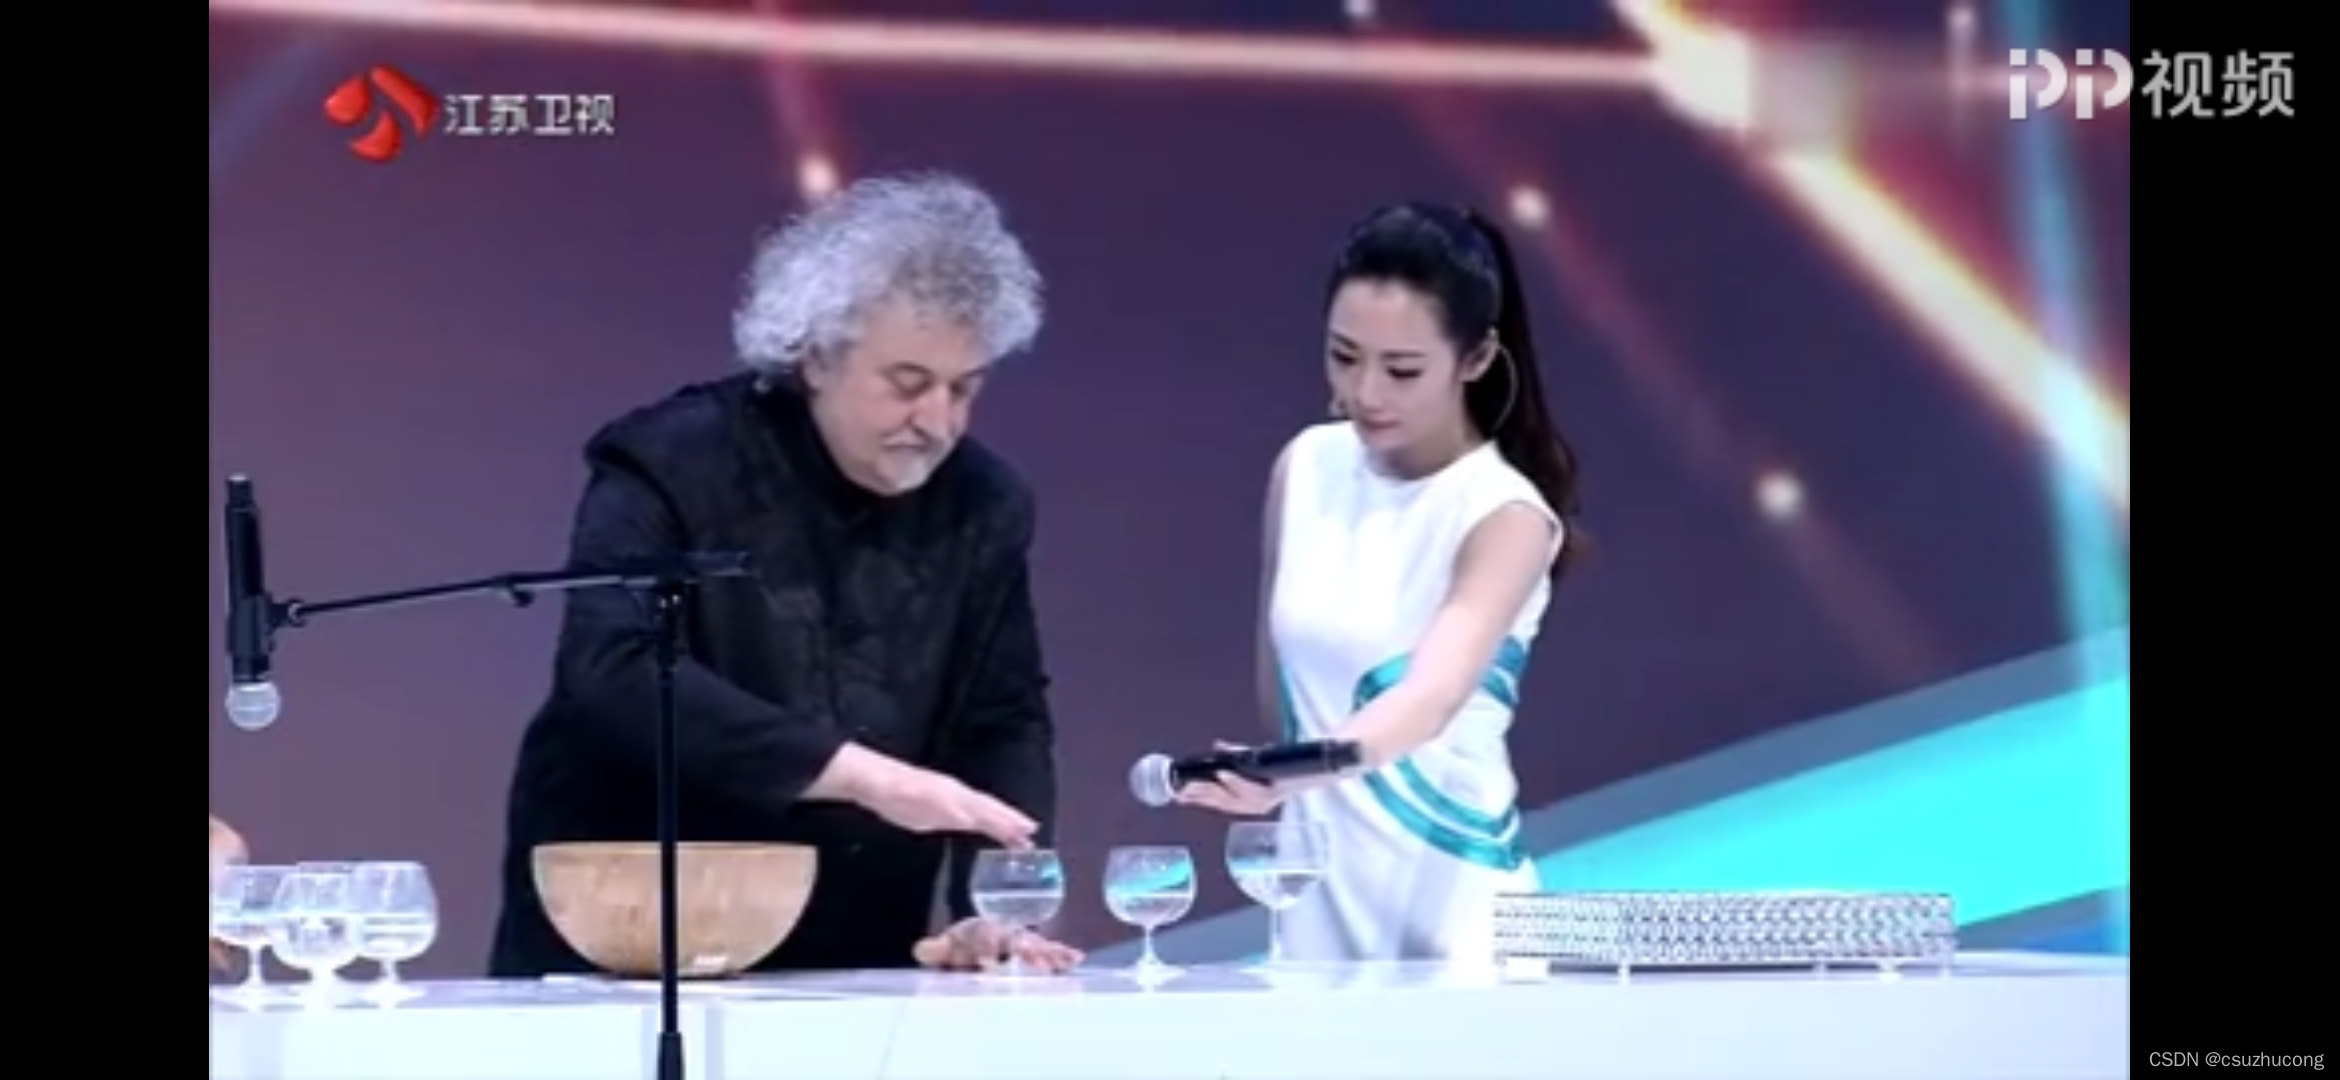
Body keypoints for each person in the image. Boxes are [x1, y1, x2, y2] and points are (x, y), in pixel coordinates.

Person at [490, 173, 1079, 977]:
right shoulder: (672, 459)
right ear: (816, 355)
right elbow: (614, 671)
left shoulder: (986, 502)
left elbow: (1001, 719)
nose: (937, 421)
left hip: (859, 926)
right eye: (908, 384)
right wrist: (863, 777)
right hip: (636, 919)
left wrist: (996, 908)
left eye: (963, 389)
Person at [1177, 202, 1583, 963]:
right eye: (1344, 356)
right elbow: (1287, 692)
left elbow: (1429, 698)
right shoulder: (1307, 465)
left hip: (1456, 916)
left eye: (1402, 370)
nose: (1366, 391)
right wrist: (1272, 771)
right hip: (1313, 899)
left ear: (1475, 358)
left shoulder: (1504, 513)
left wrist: (1295, 774)